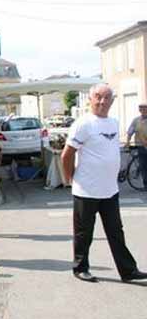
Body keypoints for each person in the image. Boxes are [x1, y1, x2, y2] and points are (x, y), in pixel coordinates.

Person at [61, 84, 147, 283]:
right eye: (98, 97)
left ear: (112, 101)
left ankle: (128, 270)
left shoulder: (113, 122)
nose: (102, 101)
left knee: (116, 232)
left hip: (110, 190)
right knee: (84, 233)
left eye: (106, 97)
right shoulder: (83, 123)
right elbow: (67, 154)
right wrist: (69, 179)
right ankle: (80, 268)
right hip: (86, 190)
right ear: (90, 99)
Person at [125, 102, 147, 189]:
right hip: (141, 146)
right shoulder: (136, 120)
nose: (143, 110)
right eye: (141, 109)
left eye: (145, 108)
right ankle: (146, 184)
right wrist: (127, 142)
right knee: (143, 166)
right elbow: (130, 132)